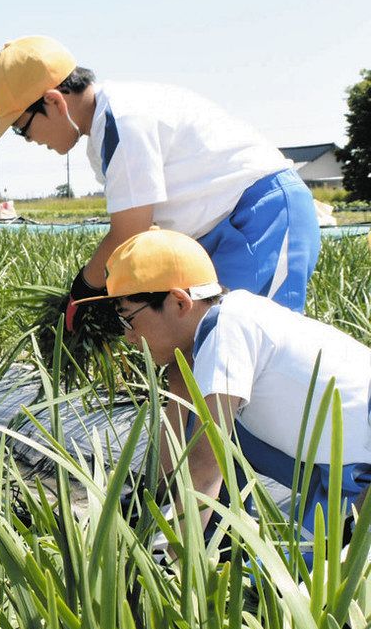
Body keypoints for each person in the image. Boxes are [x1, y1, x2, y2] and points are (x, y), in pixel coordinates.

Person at [0, 36, 320, 317]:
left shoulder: (123, 120)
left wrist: (84, 291)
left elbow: (131, 231)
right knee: (212, 346)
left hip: (260, 218)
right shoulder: (104, 132)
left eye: (22, 129)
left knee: (258, 344)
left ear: (54, 101)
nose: (31, 140)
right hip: (219, 230)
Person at [73, 227, 371, 548]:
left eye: (128, 319)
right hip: (343, 470)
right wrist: (146, 507)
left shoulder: (227, 328)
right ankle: (224, 533)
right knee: (210, 428)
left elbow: (204, 468)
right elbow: (179, 441)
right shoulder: (220, 326)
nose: (129, 336)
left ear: (178, 301)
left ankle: (219, 541)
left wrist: (174, 569)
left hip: (360, 478)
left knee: (273, 587)